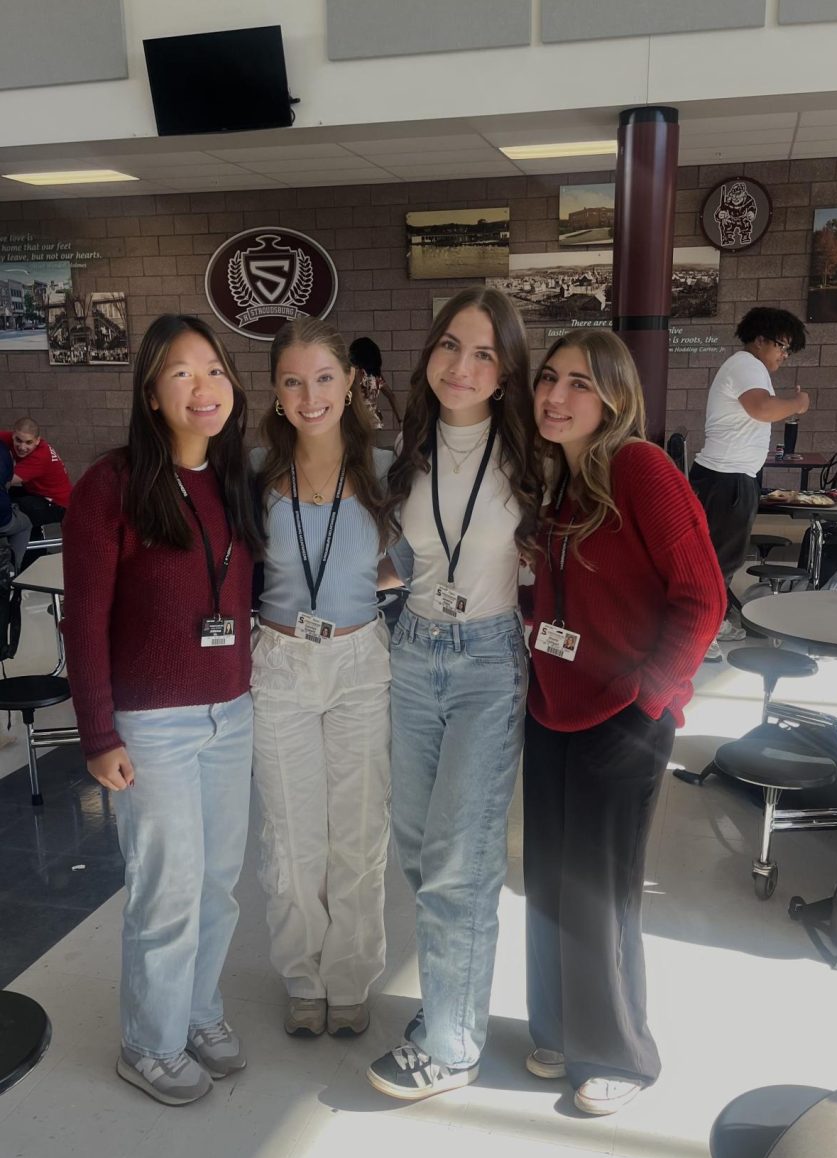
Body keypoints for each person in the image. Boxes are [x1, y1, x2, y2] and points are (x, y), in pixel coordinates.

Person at [61, 314, 263, 1106]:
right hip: (153, 725)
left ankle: (197, 1012)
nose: (202, 386)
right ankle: (148, 1041)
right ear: (151, 394)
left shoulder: (235, 478)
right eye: (180, 373)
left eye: (213, 369)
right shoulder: (111, 485)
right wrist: (98, 732)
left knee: (216, 883)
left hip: (231, 714)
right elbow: (82, 619)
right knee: (167, 888)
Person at [523, 329, 725, 1117]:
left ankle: (618, 1054)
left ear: (614, 397)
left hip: (623, 716)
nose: (556, 395)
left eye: (579, 382)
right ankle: (558, 1027)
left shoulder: (642, 468)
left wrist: (653, 695)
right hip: (552, 711)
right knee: (547, 879)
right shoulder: (558, 485)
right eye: (548, 379)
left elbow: (703, 596)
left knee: (601, 891)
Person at [367, 286, 543, 1101]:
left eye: (482, 353)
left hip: (485, 660)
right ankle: (451, 1002)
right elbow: (411, 553)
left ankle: (453, 1043)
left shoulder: (533, 455)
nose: (461, 366)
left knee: (459, 863)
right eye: (448, 346)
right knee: (417, 847)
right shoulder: (410, 444)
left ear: (506, 372)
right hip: (412, 649)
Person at [251, 317, 398, 1040]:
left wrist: (369, 588)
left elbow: (420, 554)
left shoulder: (384, 466)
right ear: (276, 393)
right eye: (293, 381)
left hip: (359, 661)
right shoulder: (254, 472)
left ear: (350, 384)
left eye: (324, 378)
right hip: (277, 665)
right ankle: (303, 976)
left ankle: (350, 976)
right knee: (291, 835)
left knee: (359, 832)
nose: (310, 396)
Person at [689, 307, 808, 660]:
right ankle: (701, 634)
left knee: (721, 558)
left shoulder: (748, 367)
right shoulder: (747, 365)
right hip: (725, 479)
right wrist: (798, 404)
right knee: (718, 562)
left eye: (788, 350)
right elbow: (762, 409)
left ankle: (714, 620)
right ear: (759, 339)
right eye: (781, 347)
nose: (783, 356)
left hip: (728, 477)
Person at [0, 417, 72, 530]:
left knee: (7, 507)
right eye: (18, 440)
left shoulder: (40, 457)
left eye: (29, 442)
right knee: (7, 496)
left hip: (57, 504)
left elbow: (4, 479)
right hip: (36, 492)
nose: (22, 447)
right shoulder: (15, 438)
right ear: (13, 436)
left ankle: (11, 544)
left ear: (37, 441)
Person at [349, 336, 402, 430]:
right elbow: (391, 396)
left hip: (357, 422)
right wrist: (401, 421)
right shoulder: (376, 376)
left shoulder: (354, 374)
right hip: (374, 422)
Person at [0, 439, 32, 569]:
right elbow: (7, 484)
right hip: (2, 519)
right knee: (25, 524)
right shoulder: (3, 450)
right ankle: (12, 571)